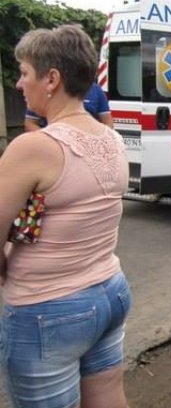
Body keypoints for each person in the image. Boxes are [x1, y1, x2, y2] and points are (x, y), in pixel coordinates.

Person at [0, 25, 131, 408]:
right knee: (108, 397)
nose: (21, 84)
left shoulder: (33, 147)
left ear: (52, 78)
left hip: (48, 310)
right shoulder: (114, 139)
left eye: (25, 73)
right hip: (111, 289)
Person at [24, 81, 114, 131]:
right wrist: (49, 139)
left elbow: (108, 123)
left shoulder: (95, 89)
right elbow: (30, 123)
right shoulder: (46, 88)